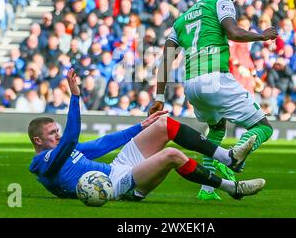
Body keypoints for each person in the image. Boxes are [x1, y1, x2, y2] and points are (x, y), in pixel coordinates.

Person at [28, 69, 266, 202]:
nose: (58, 136)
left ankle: (228, 157)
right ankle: (232, 188)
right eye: (52, 133)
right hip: (117, 187)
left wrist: (142, 126)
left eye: (58, 131)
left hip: (116, 169)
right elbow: (70, 138)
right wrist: (75, 97)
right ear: (38, 141)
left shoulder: (66, 151)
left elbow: (103, 143)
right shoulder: (43, 163)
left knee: (163, 123)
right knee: (171, 155)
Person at [149, 0, 278, 200]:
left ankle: (207, 190)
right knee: (264, 127)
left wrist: (159, 98)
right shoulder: (220, 3)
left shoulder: (181, 19)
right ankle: (234, 156)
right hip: (215, 78)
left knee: (217, 128)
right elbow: (233, 32)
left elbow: (166, 59)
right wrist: (261, 35)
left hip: (192, 86)